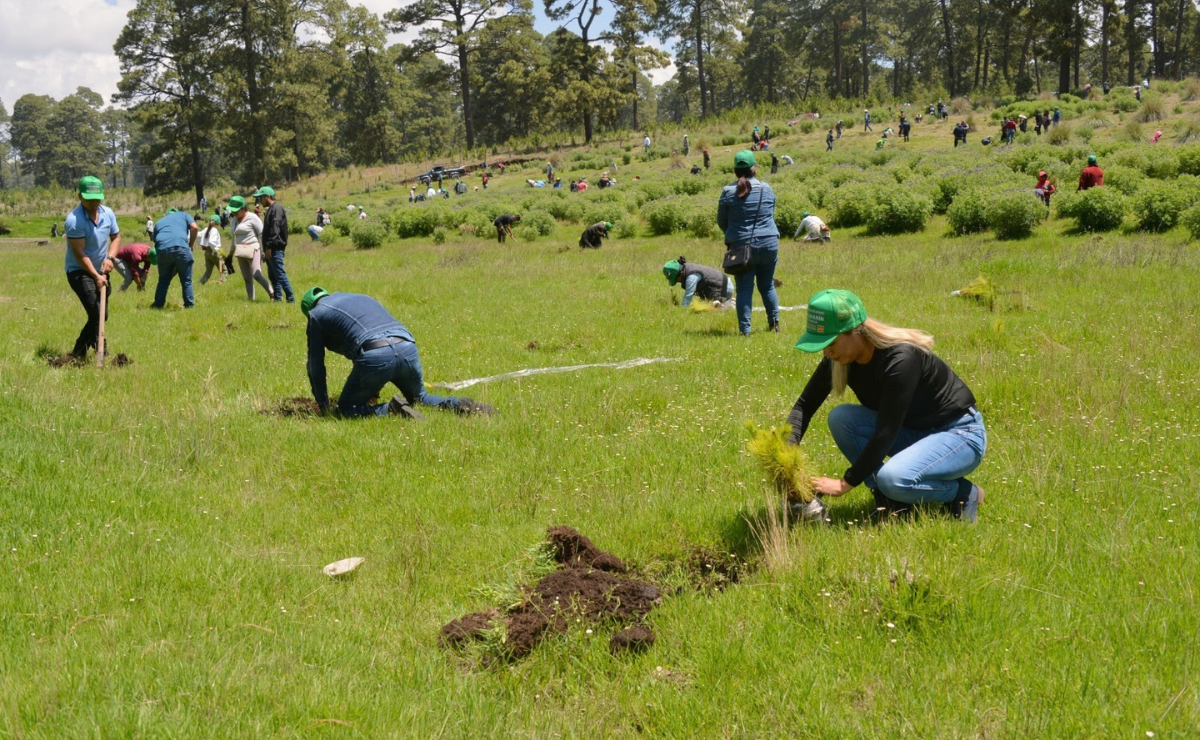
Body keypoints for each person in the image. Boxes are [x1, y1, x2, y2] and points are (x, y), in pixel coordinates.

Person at [785, 289, 987, 522]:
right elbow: (804, 405)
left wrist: (844, 484)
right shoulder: (838, 359)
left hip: (959, 435)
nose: (826, 351)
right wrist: (787, 454)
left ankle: (962, 493)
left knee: (893, 478)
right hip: (914, 432)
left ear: (855, 330)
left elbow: (886, 431)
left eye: (830, 342)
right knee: (841, 418)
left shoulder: (901, 359)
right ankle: (890, 499)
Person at [302, 287, 495, 418]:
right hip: (406, 346)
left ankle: (391, 409)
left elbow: (315, 366)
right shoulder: (359, 297)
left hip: (376, 355)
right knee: (421, 398)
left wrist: (323, 405)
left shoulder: (316, 315)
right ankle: (460, 405)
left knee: (346, 410)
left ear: (308, 309)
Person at [717, 150, 780, 336]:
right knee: (767, 285)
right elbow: (770, 214)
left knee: (744, 288)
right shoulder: (766, 188)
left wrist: (735, 236)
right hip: (769, 243)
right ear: (755, 168)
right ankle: (774, 323)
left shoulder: (728, 191)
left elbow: (721, 221)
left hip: (742, 247)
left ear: (735, 171)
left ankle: (745, 331)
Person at [63, 176, 121, 360]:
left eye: (97, 198)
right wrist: (95, 275)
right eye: (89, 199)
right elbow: (80, 253)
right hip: (79, 271)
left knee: (100, 314)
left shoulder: (108, 213)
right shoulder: (74, 220)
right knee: (97, 312)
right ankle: (99, 351)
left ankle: (80, 352)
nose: (94, 203)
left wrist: (110, 258)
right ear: (79, 196)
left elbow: (116, 237)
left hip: (102, 271)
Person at [149, 208, 198, 309]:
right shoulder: (184, 215)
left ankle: (158, 305)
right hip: (181, 248)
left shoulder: (159, 222)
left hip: (162, 250)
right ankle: (189, 306)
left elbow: (156, 240)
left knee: (163, 281)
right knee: (186, 281)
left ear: (165, 215)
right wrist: (191, 244)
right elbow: (195, 227)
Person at [227, 195, 273, 301]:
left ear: (243, 209)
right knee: (247, 278)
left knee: (256, 275)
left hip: (254, 249)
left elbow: (262, 234)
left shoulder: (253, 217)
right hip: (240, 252)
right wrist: (230, 255)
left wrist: (264, 250)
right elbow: (233, 238)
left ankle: (272, 293)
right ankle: (251, 300)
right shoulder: (234, 220)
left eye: (236, 211)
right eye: (233, 211)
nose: (234, 213)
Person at [254, 186, 294, 304]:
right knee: (273, 276)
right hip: (270, 248)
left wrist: (269, 247)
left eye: (261, 198)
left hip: (275, 248)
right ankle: (277, 298)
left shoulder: (276, 209)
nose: (259, 201)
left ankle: (290, 299)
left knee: (280, 274)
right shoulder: (271, 209)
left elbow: (275, 230)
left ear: (268, 197)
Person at [663, 257, 733, 308]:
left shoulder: (691, 276)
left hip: (725, 287)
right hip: (724, 284)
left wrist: (682, 310)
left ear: (680, 273)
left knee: (714, 308)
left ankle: (731, 304)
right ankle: (729, 302)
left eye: (676, 279)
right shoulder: (687, 269)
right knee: (706, 304)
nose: (678, 282)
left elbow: (688, 295)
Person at [198, 215, 227, 284]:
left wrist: (201, 243)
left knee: (208, 272)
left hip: (207, 253)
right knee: (224, 270)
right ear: (219, 223)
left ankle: (200, 283)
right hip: (214, 252)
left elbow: (198, 235)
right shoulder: (214, 230)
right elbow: (211, 242)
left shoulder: (206, 229)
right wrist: (217, 250)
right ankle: (222, 283)